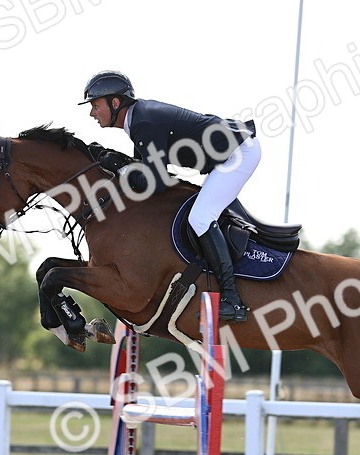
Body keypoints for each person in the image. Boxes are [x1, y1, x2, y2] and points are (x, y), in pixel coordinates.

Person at [80, 70, 258, 322]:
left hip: (238, 153)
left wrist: (120, 168)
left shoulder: (143, 122)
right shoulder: (138, 119)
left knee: (200, 218)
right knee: (200, 214)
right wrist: (115, 161)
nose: (92, 113)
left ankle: (233, 300)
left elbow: (156, 181)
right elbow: (143, 167)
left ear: (115, 102)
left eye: (95, 105)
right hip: (226, 154)